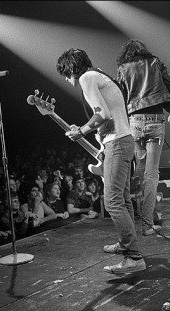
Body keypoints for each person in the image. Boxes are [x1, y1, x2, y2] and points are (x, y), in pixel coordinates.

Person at [56, 48, 146, 276]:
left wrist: (82, 131)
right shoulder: (101, 76)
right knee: (123, 200)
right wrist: (85, 128)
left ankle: (133, 257)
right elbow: (108, 115)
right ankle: (128, 245)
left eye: (66, 74)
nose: (67, 80)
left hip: (117, 143)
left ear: (71, 68)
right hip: (123, 141)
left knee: (113, 200)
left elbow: (102, 113)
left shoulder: (87, 78)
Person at [116, 39, 170, 236]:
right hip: (155, 122)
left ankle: (148, 216)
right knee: (151, 176)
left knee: (142, 174)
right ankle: (147, 224)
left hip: (134, 122)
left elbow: (120, 94)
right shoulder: (154, 62)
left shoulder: (123, 68)